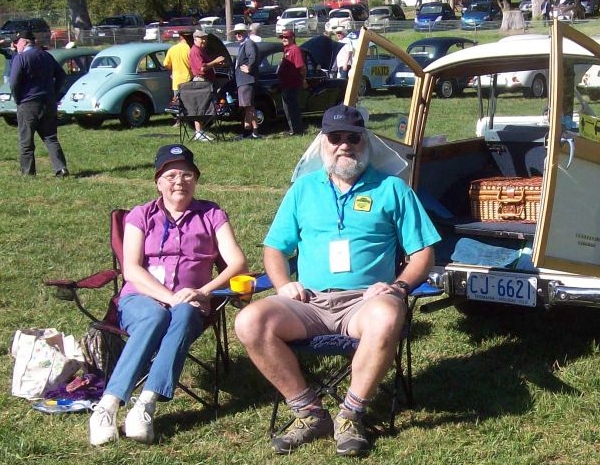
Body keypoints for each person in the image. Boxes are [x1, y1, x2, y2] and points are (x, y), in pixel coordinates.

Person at [234, 104, 441, 457]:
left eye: (353, 138)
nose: (344, 145)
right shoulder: (303, 189)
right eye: (335, 137)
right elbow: (274, 250)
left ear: (365, 142)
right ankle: (309, 411)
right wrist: (284, 284)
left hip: (365, 301)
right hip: (308, 302)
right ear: (322, 143)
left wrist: (399, 286)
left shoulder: (392, 189)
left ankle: (350, 413)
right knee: (249, 321)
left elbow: (423, 253)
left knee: (388, 315)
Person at [88, 144, 248, 446]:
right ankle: (107, 406)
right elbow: (132, 270)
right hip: (141, 299)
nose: (179, 182)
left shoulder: (211, 214)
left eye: (187, 175)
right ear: (158, 181)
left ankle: (144, 405)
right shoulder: (140, 215)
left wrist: (204, 291)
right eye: (171, 175)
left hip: (191, 301)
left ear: (196, 180)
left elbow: (238, 263)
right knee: (155, 315)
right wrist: (169, 296)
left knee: (185, 312)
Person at [8, 31, 68, 177]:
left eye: (17, 43)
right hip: (48, 102)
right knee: (50, 137)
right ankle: (61, 168)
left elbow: (14, 82)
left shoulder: (21, 58)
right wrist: (53, 93)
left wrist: (18, 98)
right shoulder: (46, 56)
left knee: (26, 140)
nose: (16, 46)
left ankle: (28, 173)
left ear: (24, 42)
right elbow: (61, 75)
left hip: (28, 103)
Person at [188, 30, 225, 141]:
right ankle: (199, 132)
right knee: (201, 107)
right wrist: (215, 61)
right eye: (201, 38)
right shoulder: (195, 51)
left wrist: (217, 63)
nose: (204, 41)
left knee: (204, 107)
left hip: (206, 81)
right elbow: (202, 68)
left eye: (205, 38)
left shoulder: (201, 51)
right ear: (195, 39)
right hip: (201, 81)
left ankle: (200, 131)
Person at [231, 23, 261, 139]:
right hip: (243, 80)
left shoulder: (248, 43)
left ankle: (249, 132)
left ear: (246, 33)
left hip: (246, 80)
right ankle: (252, 132)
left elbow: (252, 56)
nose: (238, 35)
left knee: (248, 107)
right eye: (236, 33)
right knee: (248, 107)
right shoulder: (243, 44)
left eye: (240, 32)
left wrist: (249, 67)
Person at [277, 29, 307, 136]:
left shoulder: (295, 49)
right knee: (287, 107)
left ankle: (297, 130)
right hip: (286, 83)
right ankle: (292, 129)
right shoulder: (286, 50)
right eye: (282, 37)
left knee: (292, 107)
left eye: (286, 37)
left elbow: (301, 67)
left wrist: (303, 79)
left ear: (292, 38)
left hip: (293, 83)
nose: (284, 39)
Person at [163, 31, 193, 128]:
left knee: (177, 102)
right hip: (188, 79)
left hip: (176, 80)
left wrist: (172, 71)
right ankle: (190, 120)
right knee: (189, 101)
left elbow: (166, 64)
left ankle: (179, 121)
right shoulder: (190, 49)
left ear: (180, 38)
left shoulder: (172, 49)